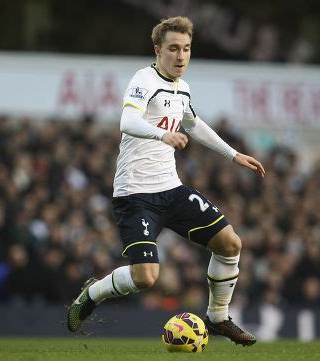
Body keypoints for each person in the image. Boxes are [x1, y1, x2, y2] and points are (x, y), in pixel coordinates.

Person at [67, 16, 265, 346]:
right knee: (146, 277)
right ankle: (93, 293)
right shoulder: (144, 79)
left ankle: (217, 317)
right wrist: (162, 135)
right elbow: (127, 118)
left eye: (186, 49)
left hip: (170, 189)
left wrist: (234, 155)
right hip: (135, 194)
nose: (181, 56)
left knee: (230, 243)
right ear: (158, 50)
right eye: (173, 48)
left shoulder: (181, 88)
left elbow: (194, 124)